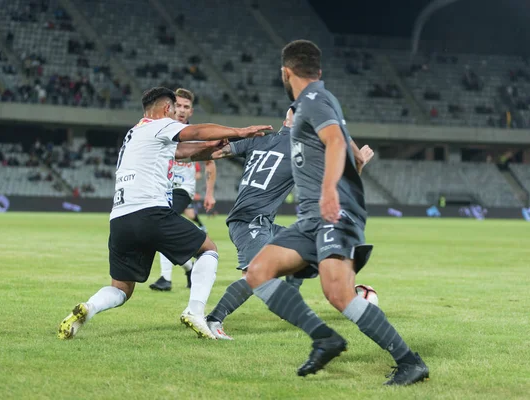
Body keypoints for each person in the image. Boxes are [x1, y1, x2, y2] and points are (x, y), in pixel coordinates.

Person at [243, 40, 429, 385]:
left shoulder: (314, 99)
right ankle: (324, 337)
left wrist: (330, 190)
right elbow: (353, 156)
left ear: (286, 72)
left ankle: (409, 362)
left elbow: (337, 142)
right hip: (313, 217)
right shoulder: (314, 101)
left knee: (338, 293)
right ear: (318, 70)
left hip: (333, 212)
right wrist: (347, 171)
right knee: (258, 271)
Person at [57, 87, 271, 340]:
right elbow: (196, 131)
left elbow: (184, 152)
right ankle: (195, 312)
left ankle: (88, 308)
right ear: (167, 109)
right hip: (150, 211)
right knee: (208, 250)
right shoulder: (160, 126)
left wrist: (212, 146)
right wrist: (239, 132)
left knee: (122, 288)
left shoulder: (135, 133)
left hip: (120, 219)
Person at [195, 108, 374, 340]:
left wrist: (183, 150)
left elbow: (217, 153)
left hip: (261, 221)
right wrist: (359, 165)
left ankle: (290, 294)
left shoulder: (258, 140)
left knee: (307, 247)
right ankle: (213, 319)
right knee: (255, 275)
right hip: (249, 222)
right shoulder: (303, 151)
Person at [149, 88, 217, 291]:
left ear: (191, 112)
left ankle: (165, 279)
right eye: (178, 105)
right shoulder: (162, 129)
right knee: (156, 231)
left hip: (181, 189)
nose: (181, 110)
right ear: (170, 106)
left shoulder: (195, 135)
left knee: (162, 222)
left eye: (186, 107)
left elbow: (210, 164)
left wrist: (209, 193)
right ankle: (189, 267)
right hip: (161, 187)